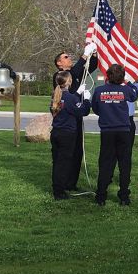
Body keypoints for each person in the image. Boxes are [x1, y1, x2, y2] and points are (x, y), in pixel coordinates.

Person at [91, 64, 138, 206]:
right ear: (122, 77)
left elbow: (96, 108)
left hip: (107, 131)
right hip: (124, 131)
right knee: (124, 163)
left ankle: (101, 196)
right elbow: (134, 95)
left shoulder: (99, 90)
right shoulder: (125, 90)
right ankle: (124, 196)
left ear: (108, 76)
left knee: (105, 163)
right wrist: (129, 83)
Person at [52, 42, 97, 190]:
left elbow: (90, 67)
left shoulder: (75, 72)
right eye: (66, 57)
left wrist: (93, 54)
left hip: (75, 116)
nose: (69, 57)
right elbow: (75, 72)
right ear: (59, 63)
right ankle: (62, 183)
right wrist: (84, 54)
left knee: (77, 151)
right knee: (65, 155)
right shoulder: (58, 76)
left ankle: (72, 183)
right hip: (67, 118)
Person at [50, 71, 91, 200]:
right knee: (64, 164)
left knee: (57, 162)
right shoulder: (70, 98)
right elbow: (83, 111)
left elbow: (67, 106)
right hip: (67, 134)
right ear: (69, 82)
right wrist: (87, 100)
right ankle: (60, 192)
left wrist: (78, 94)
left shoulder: (55, 96)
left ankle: (57, 187)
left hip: (55, 133)